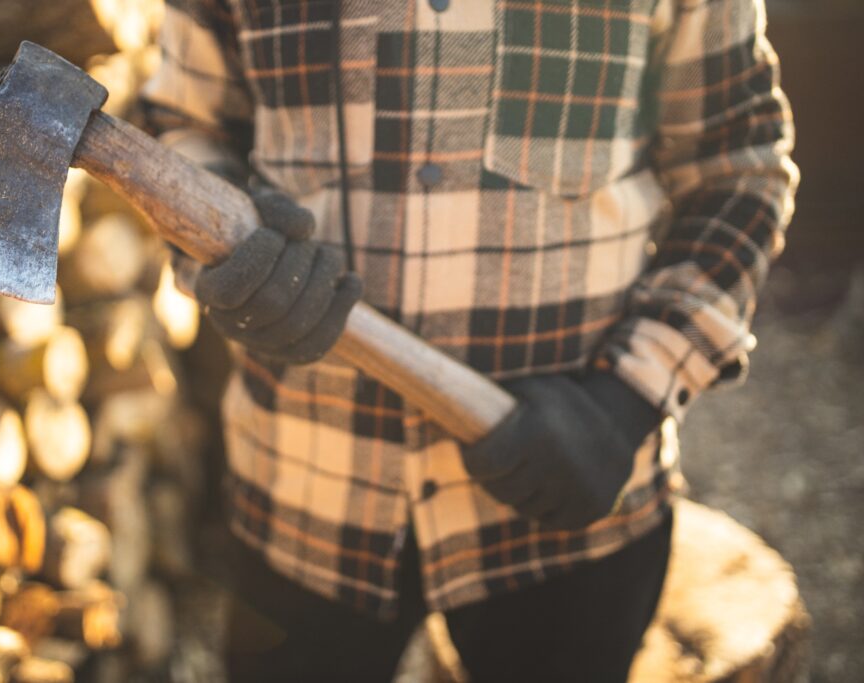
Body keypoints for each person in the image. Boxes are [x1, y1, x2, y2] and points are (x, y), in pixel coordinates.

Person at [140, 0, 797, 680]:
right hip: (303, 485)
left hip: (569, 503)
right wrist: (230, 256)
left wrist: (629, 398)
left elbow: (737, 169)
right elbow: (185, 126)